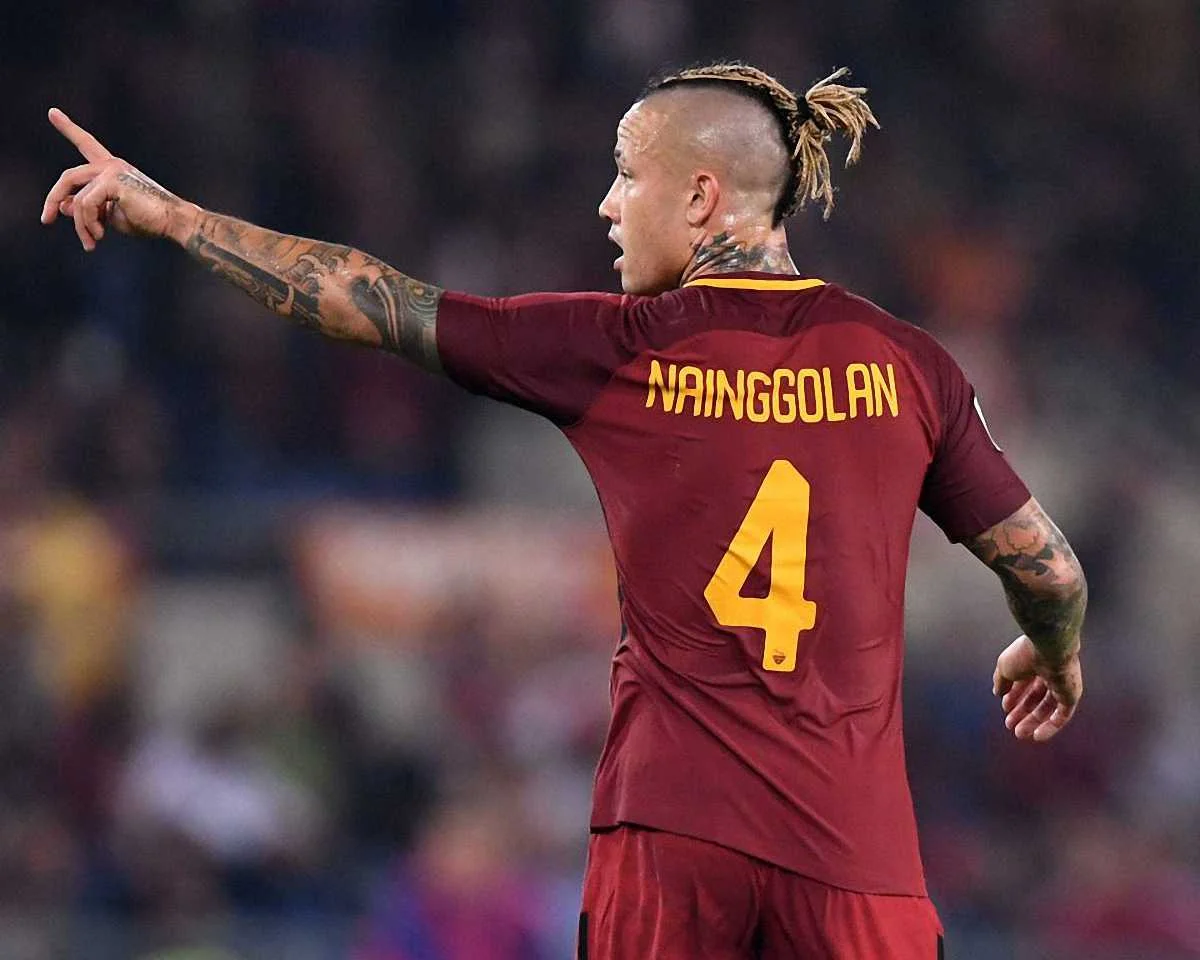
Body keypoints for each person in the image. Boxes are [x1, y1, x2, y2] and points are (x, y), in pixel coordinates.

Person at [42, 61, 1086, 959]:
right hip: (860, 862)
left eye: (627, 174)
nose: (606, 205)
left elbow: (372, 301)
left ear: (702, 197)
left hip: (670, 841)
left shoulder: (621, 349)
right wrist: (1051, 649)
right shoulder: (907, 365)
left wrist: (174, 217)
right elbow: (1048, 571)